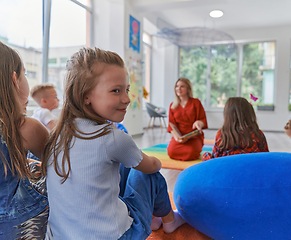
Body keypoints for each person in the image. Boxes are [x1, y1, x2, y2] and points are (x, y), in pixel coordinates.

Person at [42, 47, 185, 240]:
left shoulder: (56, 135)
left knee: (125, 165)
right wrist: (157, 162)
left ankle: (154, 217)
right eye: (116, 91)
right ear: (85, 95)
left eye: (126, 90)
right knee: (148, 172)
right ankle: (169, 221)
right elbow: (150, 166)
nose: (126, 99)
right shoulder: (113, 138)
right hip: (117, 236)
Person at [0, 41, 49, 239]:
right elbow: (60, 167)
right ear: (15, 80)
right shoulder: (24, 127)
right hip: (14, 223)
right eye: (25, 74)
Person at [202, 97, 269, 161]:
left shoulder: (222, 134)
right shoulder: (258, 134)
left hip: (229, 170)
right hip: (252, 170)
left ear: (227, 115)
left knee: (205, 156)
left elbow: (215, 159)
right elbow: (266, 157)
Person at [167, 78, 208, 161]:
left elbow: (203, 120)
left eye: (182, 86)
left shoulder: (196, 102)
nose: (179, 88)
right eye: (177, 86)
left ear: (188, 89)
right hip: (180, 136)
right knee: (171, 152)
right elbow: (171, 125)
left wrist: (198, 123)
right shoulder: (172, 105)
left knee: (191, 153)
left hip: (193, 136)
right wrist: (177, 138)